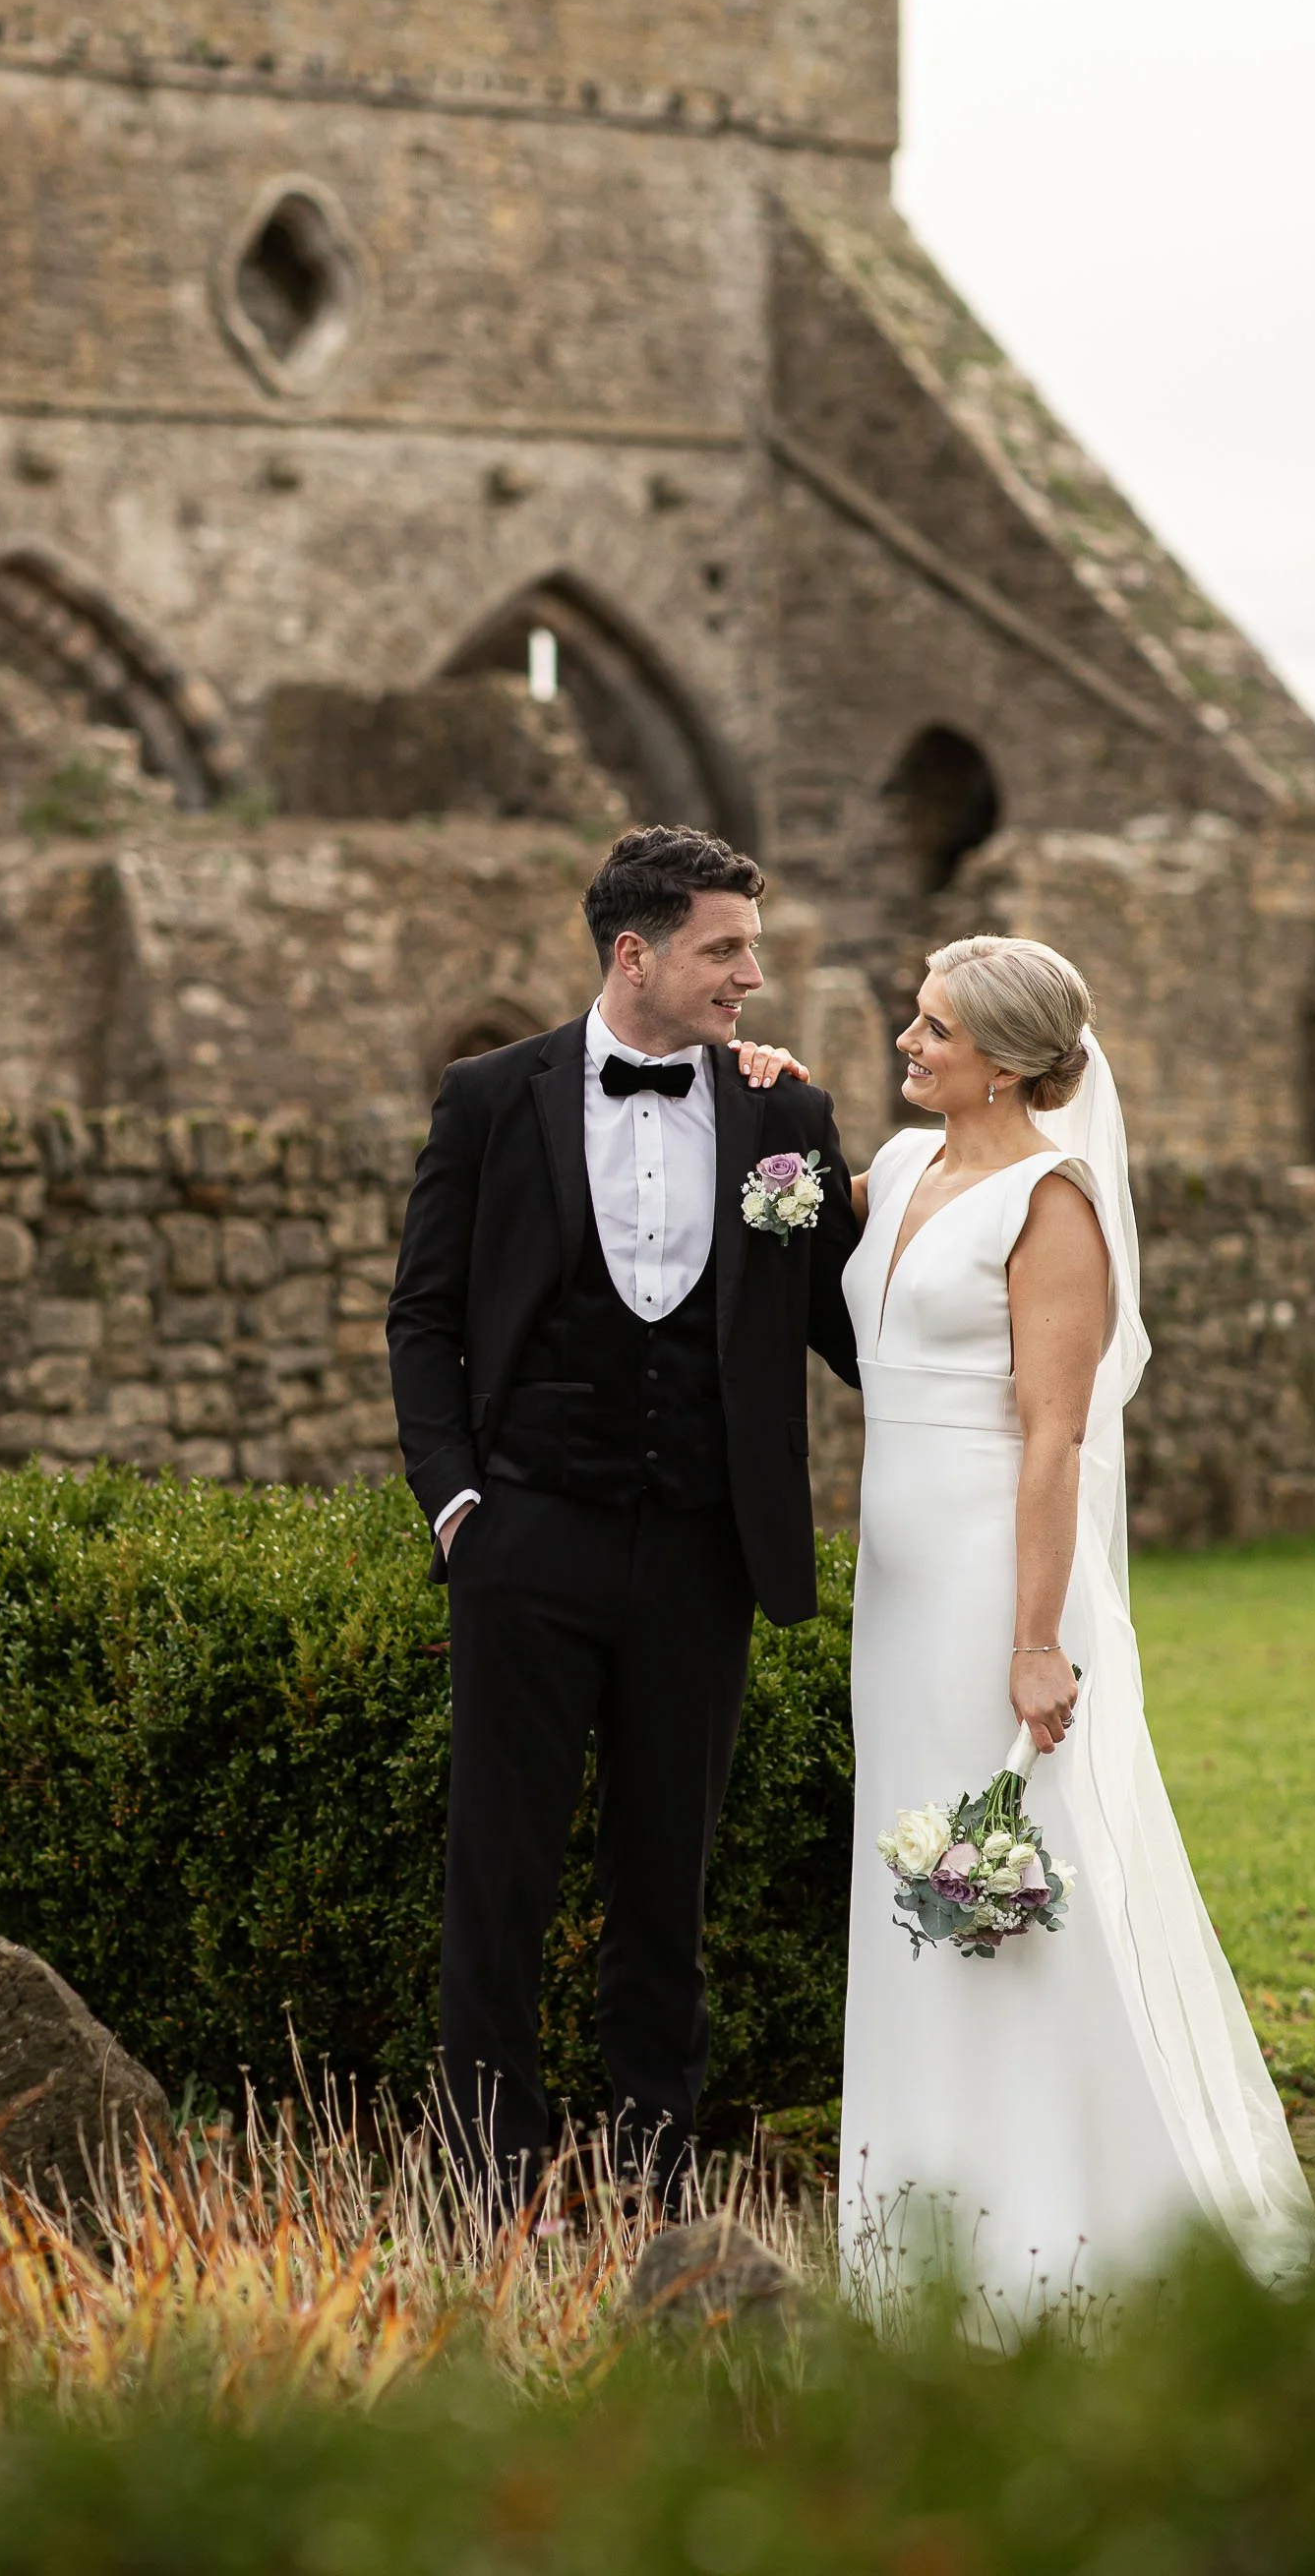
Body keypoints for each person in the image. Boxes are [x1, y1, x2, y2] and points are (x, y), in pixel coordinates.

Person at [838, 932, 1315, 2332]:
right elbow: (819, 1224)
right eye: (914, 1023)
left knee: (1018, 1869)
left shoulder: (1053, 1205)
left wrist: (1036, 1638)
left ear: (1005, 1059)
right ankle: (916, 2213)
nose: (908, 1044)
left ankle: (1070, 2219)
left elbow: (1053, 1434)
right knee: (910, 1870)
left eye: (934, 1029)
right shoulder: (901, 1172)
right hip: (898, 1588)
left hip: (1001, 1583)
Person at [386, 824, 861, 2203]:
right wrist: (458, 1501)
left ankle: (657, 2173)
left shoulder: (785, 1118)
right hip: (528, 1538)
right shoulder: (490, 1097)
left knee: (668, 1882)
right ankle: (490, 2174)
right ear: (633, 952)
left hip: (706, 1549)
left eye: (753, 951)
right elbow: (424, 1315)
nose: (751, 979)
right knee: (501, 1877)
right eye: (725, 951)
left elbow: (845, 1316)